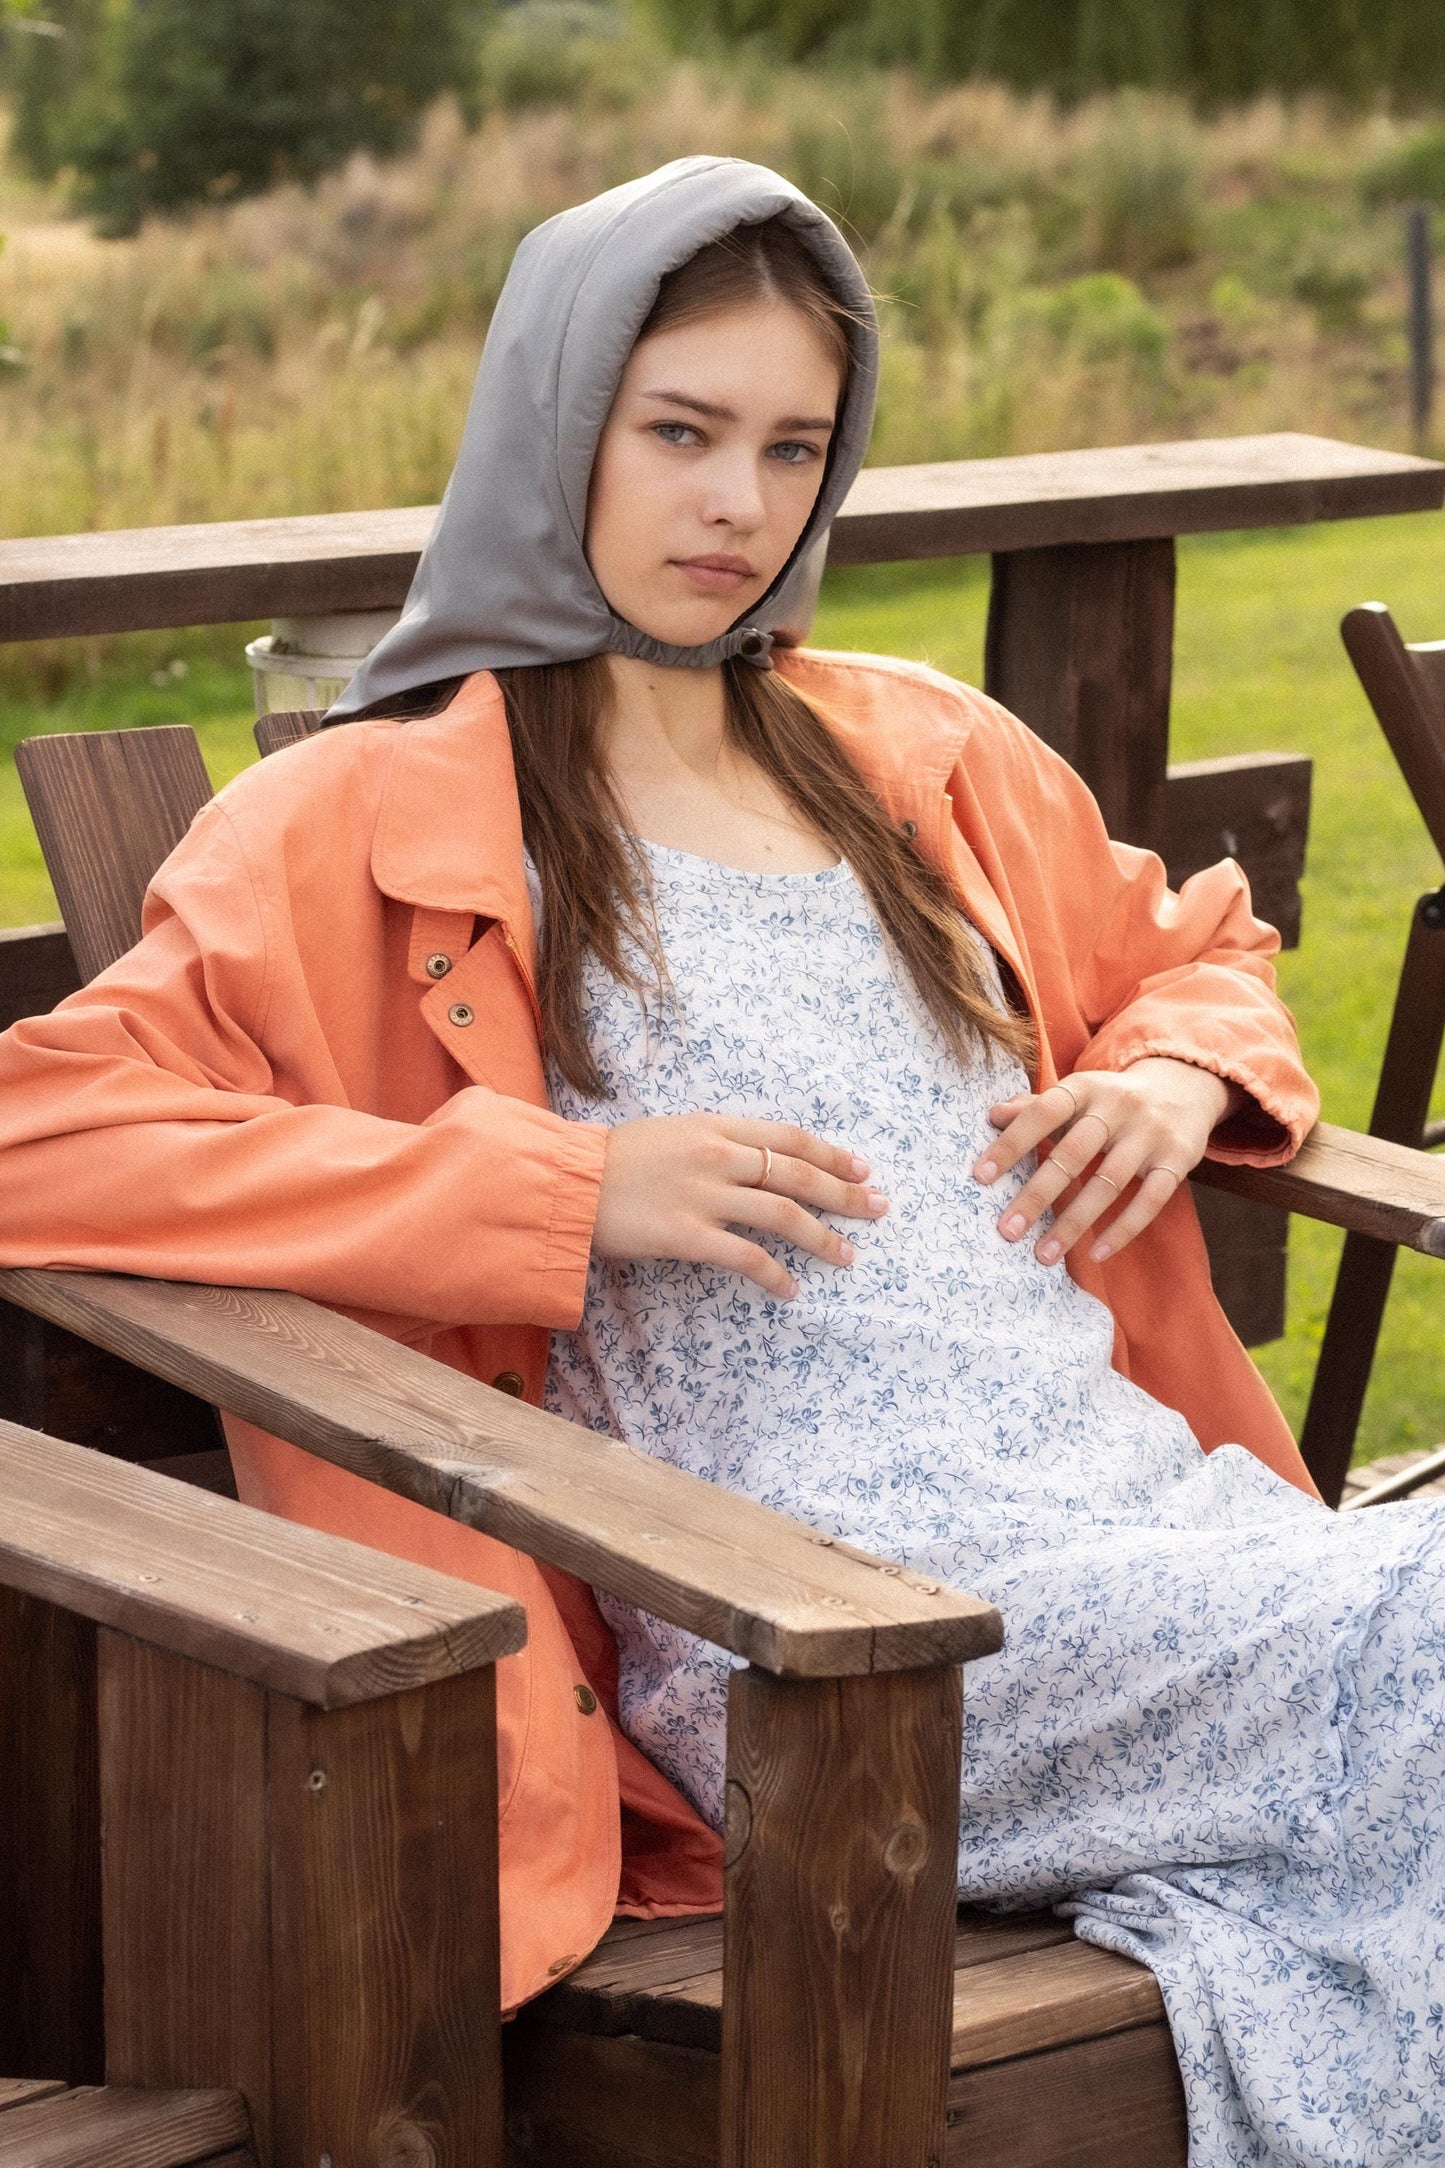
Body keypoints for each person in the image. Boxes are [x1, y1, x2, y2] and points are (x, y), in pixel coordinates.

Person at [0, 156, 1441, 2164]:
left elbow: (1197, 947)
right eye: (677, 434)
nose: (736, 507)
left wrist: (1179, 1080)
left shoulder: (916, 751)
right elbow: (38, 1129)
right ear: (553, 427)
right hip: (823, 1647)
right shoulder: (368, 815)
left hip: (1158, 1532)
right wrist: (562, 1202)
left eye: (790, 446)